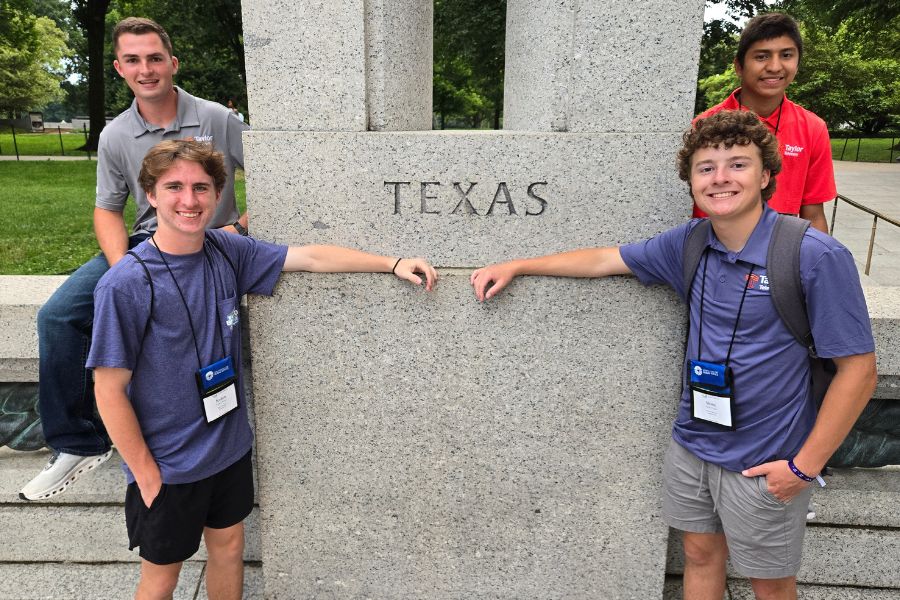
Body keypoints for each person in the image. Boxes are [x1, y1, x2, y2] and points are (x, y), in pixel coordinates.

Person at [471, 111, 876, 599]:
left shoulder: (814, 255)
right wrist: (518, 264)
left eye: (737, 165)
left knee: (770, 585)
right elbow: (606, 259)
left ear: (766, 175)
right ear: (691, 182)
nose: (721, 178)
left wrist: (802, 467)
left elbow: (859, 372)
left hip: (768, 456)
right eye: (706, 168)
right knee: (700, 557)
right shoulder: (691, 243)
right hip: (693, 443)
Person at [86, 139, 437, 599]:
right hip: (169, 464)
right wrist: (146, 473)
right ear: (150, 195)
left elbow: (309, 257)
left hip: (228, 447)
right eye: (174, 187)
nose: (189, 201)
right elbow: (108, 390)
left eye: (201, 188)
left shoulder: (225, 251)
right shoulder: (127, 283)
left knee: (230, 546)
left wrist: (391, 263)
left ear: (216, 195)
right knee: (161, 576)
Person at [21, 17, 250, 501]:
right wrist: (125, 266)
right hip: (146, 246)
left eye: (154, 58)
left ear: (172, 62)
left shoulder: (216, 118)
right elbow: (107, 209)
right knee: (58, 316)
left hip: (208, 244)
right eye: (133, 60)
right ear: (119, 67)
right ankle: (80, 442)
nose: (145, 69)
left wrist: (238, 228)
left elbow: (280, 175)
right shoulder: (115, 134)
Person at [693, 12, 835, 233]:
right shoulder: (704, 126)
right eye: (761, 56)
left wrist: (820, 263)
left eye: (786, 55)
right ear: (739, 66)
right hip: (715, 251)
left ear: (797, 63)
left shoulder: (813, 128)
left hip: (779, 253)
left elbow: (814, 215)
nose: (775, 67)